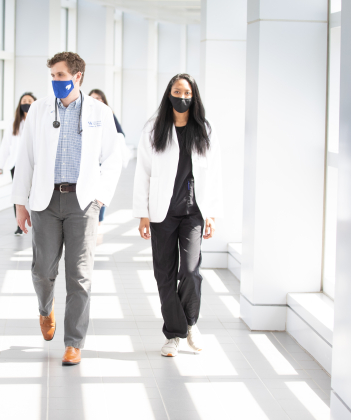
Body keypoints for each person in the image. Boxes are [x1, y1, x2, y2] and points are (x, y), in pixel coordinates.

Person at [12, 52, 122, 366]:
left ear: (78, 77)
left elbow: (114, 158)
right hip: (45, 202)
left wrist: (100, 199)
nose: (56, 81)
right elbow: (27, 158)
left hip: (82, 202)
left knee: (80, 275)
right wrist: (20, 204)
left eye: (61, 75)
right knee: (43, 271)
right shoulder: (38, 110)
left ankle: (74, 342)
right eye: (53, 76)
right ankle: (45, 310)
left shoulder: (99, 112)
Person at [133, 73, 223, 357]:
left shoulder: (204, 129)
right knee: (165, 273)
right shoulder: (154, 128)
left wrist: (212, 213)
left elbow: (215, 174)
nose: (181, 97)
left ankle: (190, 324)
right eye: (177, 91)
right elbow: (142, 172)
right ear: (168, 93)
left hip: (193, 212)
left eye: (187, 93)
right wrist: (142, 214)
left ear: (193, 96)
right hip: (162, 213)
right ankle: (174, 333)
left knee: (191, 271)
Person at [89, 89, 130, 224]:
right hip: (90, 161)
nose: (96, 101)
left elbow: (120, 134)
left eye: (99, 98)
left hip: (104, 159)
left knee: (101, 190)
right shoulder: (85, 114)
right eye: (93, 98)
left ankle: (99, 219)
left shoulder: (109, 114)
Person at [0, 92, 37, 235]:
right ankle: (19, 225)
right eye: (24, 101)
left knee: (34, 194)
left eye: (30, 101)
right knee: (18, 196)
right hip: (16, 165)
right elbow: (5, 145)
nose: (26, 103)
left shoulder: (38, 121)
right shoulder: (14, 123)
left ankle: (36, 222)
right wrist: (0, 165)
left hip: (34, 164)